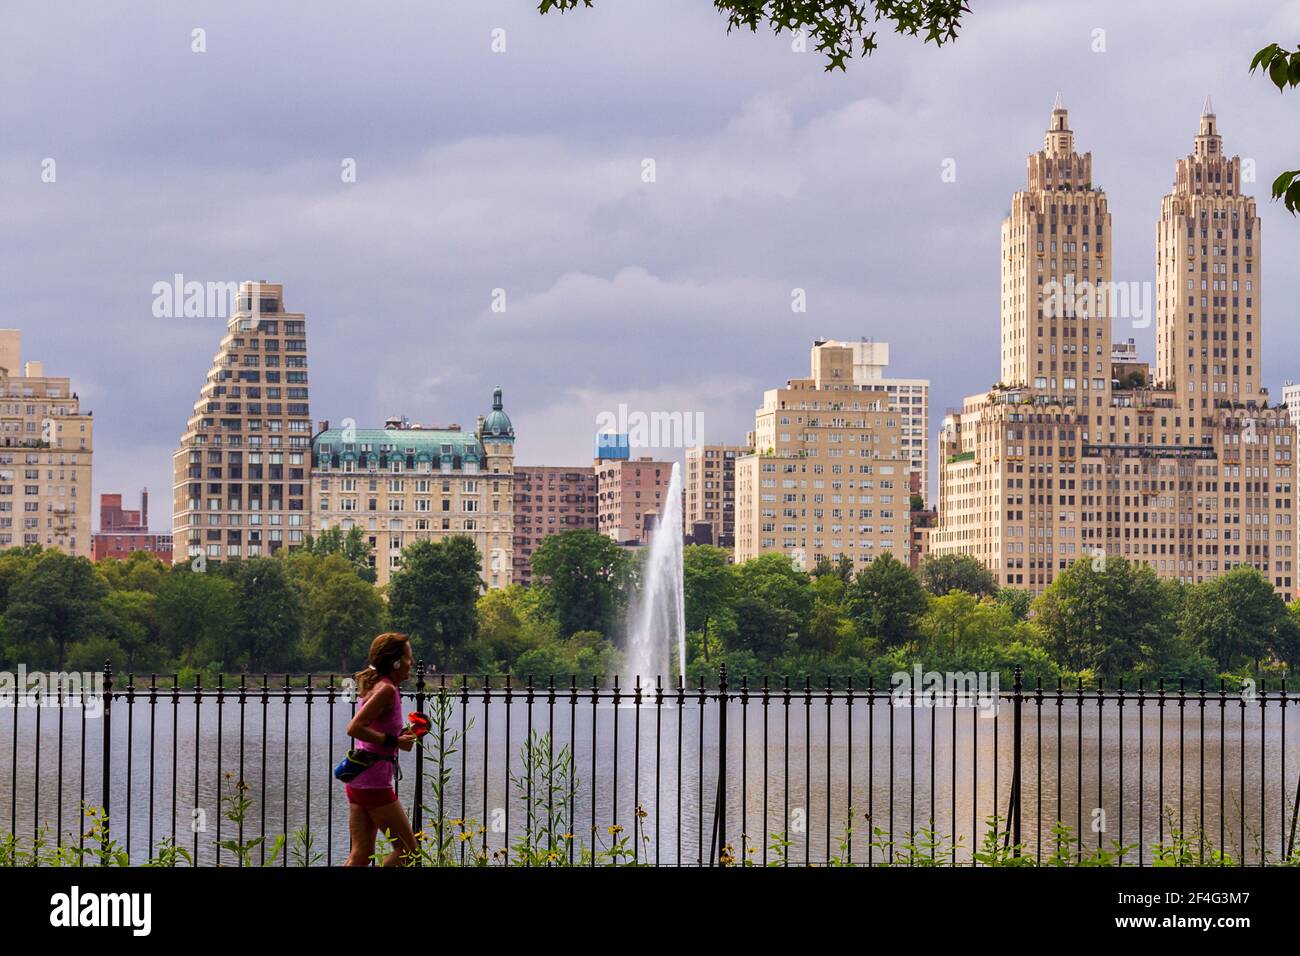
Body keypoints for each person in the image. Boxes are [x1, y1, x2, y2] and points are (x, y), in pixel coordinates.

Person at [344, 632, 419, 866]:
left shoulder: (379, 685)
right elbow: (355, 727)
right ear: (396, 662)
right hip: (374, 782)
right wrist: (395, 742)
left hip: (359, 781)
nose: (412, 663)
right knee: (408, 851)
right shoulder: (386, 690)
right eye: (409, 657)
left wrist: (399, 735)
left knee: (361, 855)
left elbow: (372, 729)